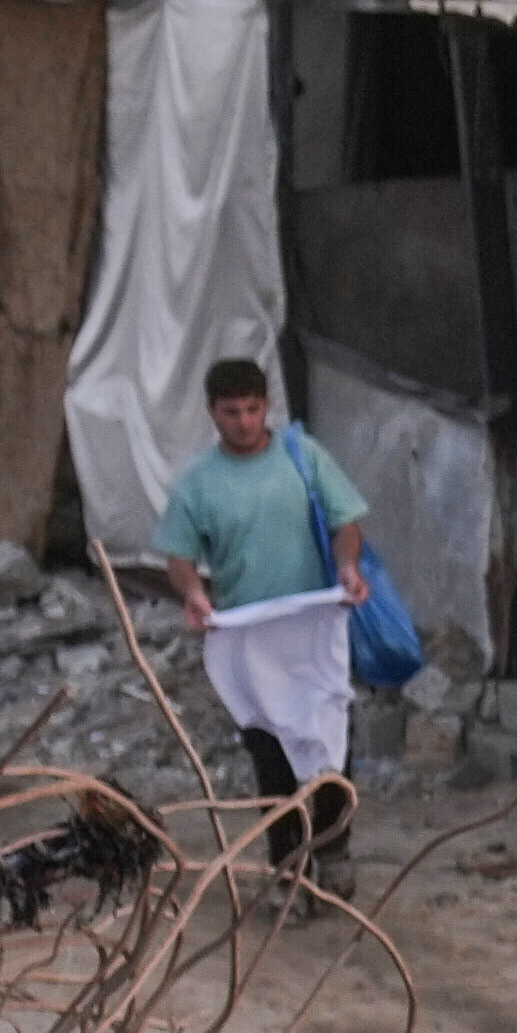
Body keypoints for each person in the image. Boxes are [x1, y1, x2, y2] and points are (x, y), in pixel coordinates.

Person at [152, 353, 381, 864]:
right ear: (212, 412)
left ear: (267, 405)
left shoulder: (303, 457)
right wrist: (193, 592)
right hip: (249, 641)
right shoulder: (197, 483)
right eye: (232, 412)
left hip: (312, 631)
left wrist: (348, 567)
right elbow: (179, 557)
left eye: (253, 409)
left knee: (329, 743)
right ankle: (287, 865)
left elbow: (346, 523)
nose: (244, 422)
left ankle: (334, 854)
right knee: (270, 755)